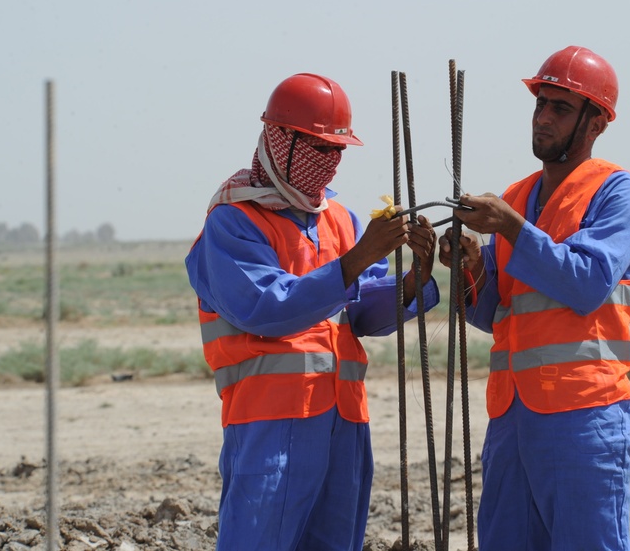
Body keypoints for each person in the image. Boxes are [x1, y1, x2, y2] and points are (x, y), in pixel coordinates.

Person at [185, 72, 439, 551]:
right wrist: (358, 258)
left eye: (339, 151)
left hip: (344, 420)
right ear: (280, 141)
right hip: (270, 423)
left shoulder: (340, 220)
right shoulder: (235, 221)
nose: (332, 164)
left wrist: (414, 279)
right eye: (320, 149)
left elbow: (361, 313)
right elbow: (266, 307)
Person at [438, 46, 630, 551]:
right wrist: (469, 265)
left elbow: (586, 284)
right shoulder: (516, 197)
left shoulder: (619, 194)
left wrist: (509, 227)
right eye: (540, 105)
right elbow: (497, 311)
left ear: (595, 122)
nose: (543, 119)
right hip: (512, 416)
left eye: (560, 108)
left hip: (583, 416)